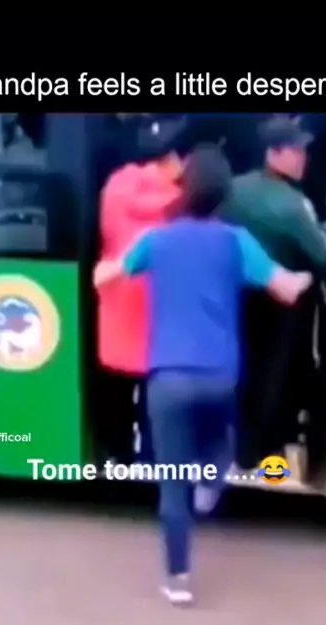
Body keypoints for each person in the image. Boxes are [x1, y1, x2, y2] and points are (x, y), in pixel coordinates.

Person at [98, 146, 313, 606]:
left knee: (171, 481)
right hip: (218, 377)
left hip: (167, 378)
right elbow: (285, 289)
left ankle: (178, 579)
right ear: (223, 195)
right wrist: (306, 278)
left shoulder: (156, 239)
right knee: (219, 447)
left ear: (184, 188)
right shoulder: (237, 241)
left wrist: (103, 270)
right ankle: (211, 483)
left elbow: (109, 276)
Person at [223, 116, 326, 475]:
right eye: (295, 151)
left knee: (240, 372)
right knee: (271, 379)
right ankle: (259, 454)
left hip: (232, 298)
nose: (303, 158)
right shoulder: (293, 204)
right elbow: (325, 256)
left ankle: (237, 449)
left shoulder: (232, 188)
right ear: (273, 153)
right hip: (279, 303)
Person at [93, 117, 189, 463]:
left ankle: (116, 455)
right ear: (173, 159)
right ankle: (151, 460)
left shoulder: (114, 186)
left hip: (116, 306)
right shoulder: (182, 202)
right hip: (159, 315)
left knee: (115, 393)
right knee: (156, 398)